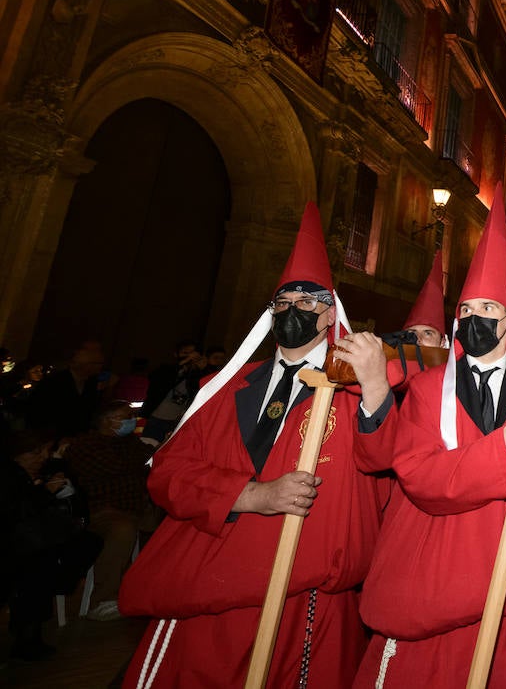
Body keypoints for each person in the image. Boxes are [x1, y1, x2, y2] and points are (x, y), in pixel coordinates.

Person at [116, 203, 392, 687]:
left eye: (306, 302)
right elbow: (167, 474)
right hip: (214, 585)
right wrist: (249, 495)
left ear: (330, 313)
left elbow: (383, 465)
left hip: (306, 596)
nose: (291, 311)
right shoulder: (221, 388)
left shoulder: (355, 393)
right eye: (281, 303)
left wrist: (375, 387)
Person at [351, 184, 506, 686]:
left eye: (488, 309)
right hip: (441, 582)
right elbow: (421, 478)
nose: (474, 319)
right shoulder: (427, 391)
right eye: (466, 310)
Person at [2, 427, 103, 660]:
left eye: (45, 452)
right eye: (35, 453)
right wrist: (44, 493)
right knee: (37, 566)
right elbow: (16, 514)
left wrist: (57, 479)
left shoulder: (41, 470)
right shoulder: (8, 475)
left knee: (85, 543)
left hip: (34, 540)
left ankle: (32, 624)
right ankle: (27, 636)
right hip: (14, 545)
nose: (42, 457)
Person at [60, 401, 155, 621]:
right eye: (126, 416)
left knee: (171, 523)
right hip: (103, 510)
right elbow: (118, 467)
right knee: (121, 530)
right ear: (106, 420)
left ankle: (151, 588)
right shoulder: (85, 445)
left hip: (138, 505)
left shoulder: (129, 441)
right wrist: (144, 462)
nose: (132, 420)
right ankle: (102, 599)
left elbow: (153, 459)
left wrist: (146, 461)